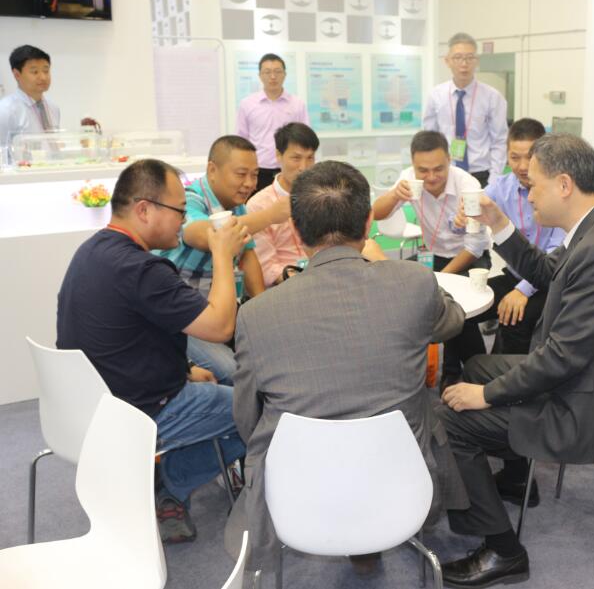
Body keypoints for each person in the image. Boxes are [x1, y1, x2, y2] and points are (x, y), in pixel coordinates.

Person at [225, 160, 470, 577]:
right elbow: (452, 322)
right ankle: (368, 542)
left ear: (297, 232)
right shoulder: (413, 283)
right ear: (369, 222)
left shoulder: (256, 315)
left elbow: (246, 419)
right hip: (401, 482)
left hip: (299, 492)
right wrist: (383, 265)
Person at [436, 133, 594, 587]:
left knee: (450, 419)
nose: (528, 195)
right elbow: (547, 273)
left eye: (534, 186)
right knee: (476, 366)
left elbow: (562, 358)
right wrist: (498, 224)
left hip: (587, 407)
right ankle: (516, 477)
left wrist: (486, 397)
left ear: (564, 184)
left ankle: (503, 550)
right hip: (585, 379)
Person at [56, 159, 249, 543]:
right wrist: (222, 253)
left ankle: (162, 478)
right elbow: (220, 326)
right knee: (259, 408)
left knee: (219, 382)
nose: (183, 220)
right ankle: (170, 486)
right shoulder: (142, 269)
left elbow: (128, 337)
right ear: (144, 209)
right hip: (138, 411)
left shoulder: (91, 251)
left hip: (91, 404)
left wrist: (185, 369)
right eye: (179, 210)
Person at [155, 135, 283, 385]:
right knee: (234, 372)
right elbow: (203, 235)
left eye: (255, 175)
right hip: (184, 319)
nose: (249, 183)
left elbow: (248, 255)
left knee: (270, 356)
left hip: (219, 313)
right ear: (212, 170)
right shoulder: (190, 198)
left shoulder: (237, 207)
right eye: (241, 174)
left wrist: (262, 309)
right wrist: (270, 215)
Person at [443, 118, 566, 375]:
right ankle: (475, 369)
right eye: (514, 157)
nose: (521, 166)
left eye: (529, 157)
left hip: (548, 280)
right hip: (515, 275)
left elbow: (554, 258)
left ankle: (504, 383)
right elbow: (472, 212)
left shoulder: (558, 191)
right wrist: (460, 218)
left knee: (514, 316)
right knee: (457, 311)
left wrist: (522, 291)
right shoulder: (501, 186)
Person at [372, 130, 490, 384]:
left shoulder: (468, 186)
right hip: (433, 254)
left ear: (449, 160)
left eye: (438, 169)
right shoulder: (408, 178)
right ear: (413, 165)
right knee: (431, 305)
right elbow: (376, 214)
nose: (431, 177)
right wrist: (394, 195)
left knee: (459, 311)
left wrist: (440, 279)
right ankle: (454, 371)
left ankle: (474, 374)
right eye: (423, 171)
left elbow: (475, 247)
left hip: (469, 257)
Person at [247, 122, 385, 287]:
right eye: (296, 158)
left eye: (310, 158)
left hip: (337, 275)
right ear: (278, 155)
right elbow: (268, 268)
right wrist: (309, 280)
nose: (303, 167)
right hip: (290, 286)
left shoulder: (326, 194)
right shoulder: (259, 205)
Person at [423, 32, 508, 187]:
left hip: (481, 174)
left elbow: (499, 141)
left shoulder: (492, 97)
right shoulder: (436, 95)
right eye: (458, 58)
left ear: (477, 61)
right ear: (447, 61)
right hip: (446, 173)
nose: (464, 64)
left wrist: (494, 181)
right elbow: (429, 138)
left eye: (470, 58)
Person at [236, 53, 310, 192]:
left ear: (285, 74)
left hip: (289, 170)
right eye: (267, 72)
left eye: (277, 71)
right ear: (260, 75)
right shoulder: (247, 104)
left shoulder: (297, 104)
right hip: (258, 171)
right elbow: (242, 140)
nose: (273, 76)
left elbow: (305, 139)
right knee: (258, 204)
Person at [0, 45, 59, 160]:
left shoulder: (53, 108)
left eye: (46, 71)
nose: (43, 77)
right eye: (35, 72)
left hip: (52, 167)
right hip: (20, 170)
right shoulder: (5, 110)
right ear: (17, 74)